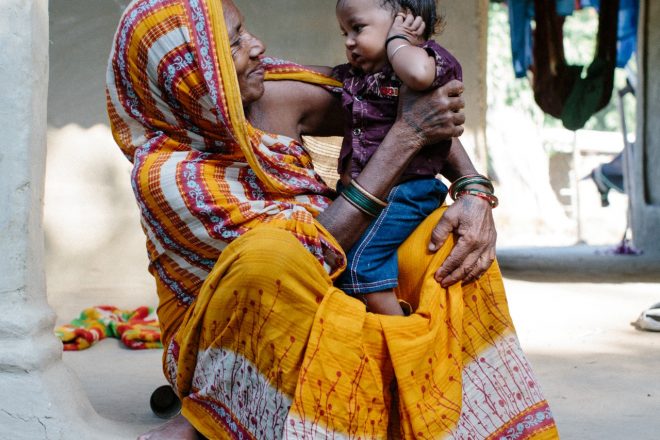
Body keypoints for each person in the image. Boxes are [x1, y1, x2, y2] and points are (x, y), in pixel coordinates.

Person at [106, 0, 558, 438]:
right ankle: (219, 408)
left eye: (245, 31)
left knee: (449, 247)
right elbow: (304, 256)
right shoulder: (169, 174)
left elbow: (401, 102)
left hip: (343, 276)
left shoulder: (271, 92)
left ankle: (456, 398)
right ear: (192, 77)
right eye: (236, 43)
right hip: (255, 333)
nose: (258, 47)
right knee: (270, 254)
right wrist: (407, 136)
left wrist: (473, 190)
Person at [330, 0, 476, 315]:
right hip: (374, 193)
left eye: (357, 28)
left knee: (359, 265)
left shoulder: (428, 61)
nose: (349, 41)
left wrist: (399, 40)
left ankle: (402, 334)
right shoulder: (364, 75)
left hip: (407, 192)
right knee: (340, 268)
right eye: (344, 33)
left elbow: (419, 76)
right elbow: (323, 78)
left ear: (405, 20)